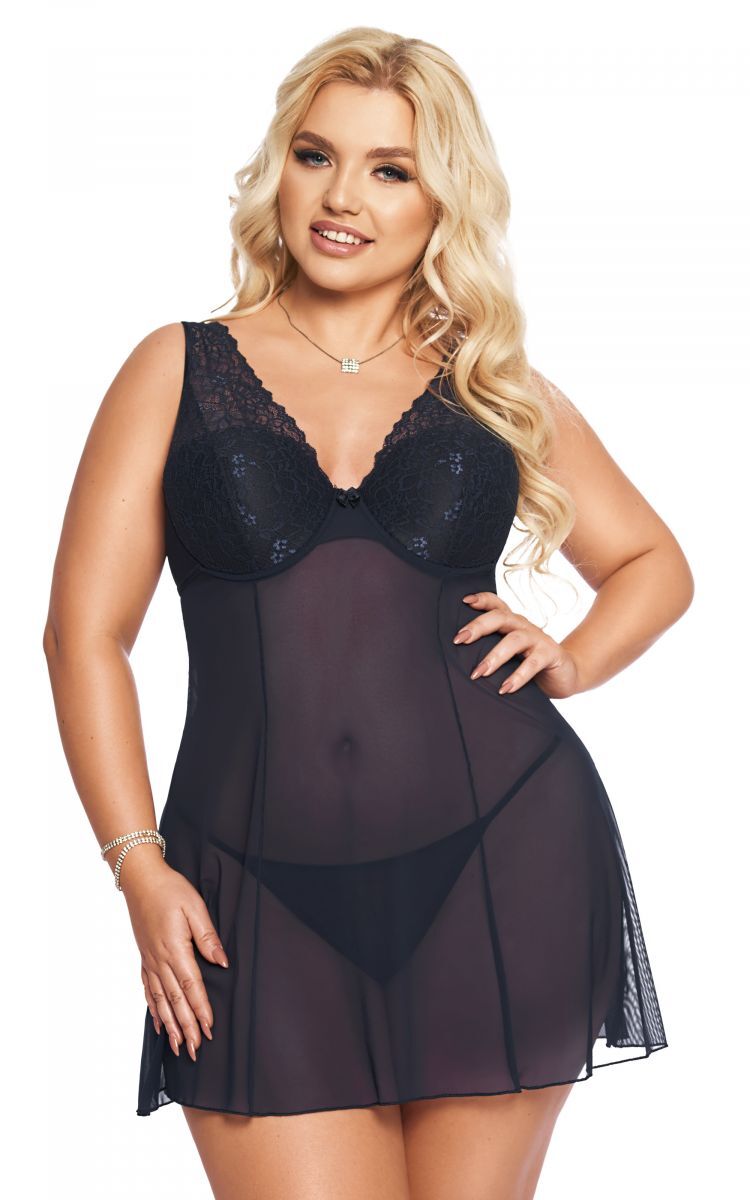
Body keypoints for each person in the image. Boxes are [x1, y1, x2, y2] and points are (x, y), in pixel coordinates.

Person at [43, 27, 693, 1200]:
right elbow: (83, 636)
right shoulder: (176, 368)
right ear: (279, 172)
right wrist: (137, 865)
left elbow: (654, 561)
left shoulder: (491, 387)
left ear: (443, 199)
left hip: (503, 857)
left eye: (391, 169)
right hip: (248, 890)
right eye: (316, 156)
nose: (343, 197)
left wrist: (573, 657)